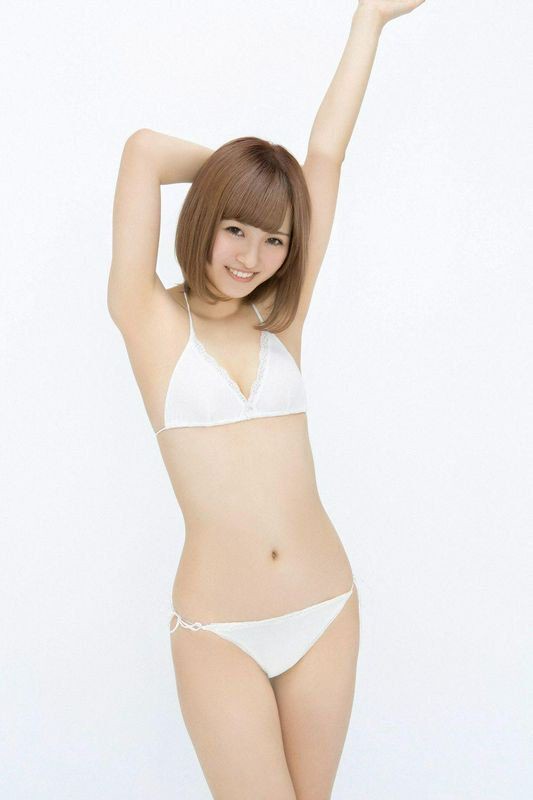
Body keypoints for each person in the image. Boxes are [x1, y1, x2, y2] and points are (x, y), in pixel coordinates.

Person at [107, 1, 425, 797]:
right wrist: (248, 178)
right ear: (207, 218)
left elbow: (326, 152)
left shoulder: (282, 315)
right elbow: (142, 150)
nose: (252, 256)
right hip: (218, 632)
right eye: (237, 228)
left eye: (275, 237)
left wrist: (369, 19)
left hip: (326, 607)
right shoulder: (147, 318)